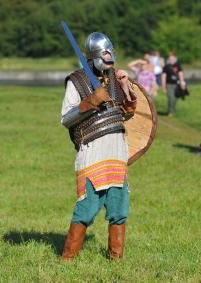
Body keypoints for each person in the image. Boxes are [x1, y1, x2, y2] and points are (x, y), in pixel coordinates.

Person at [60, 32, 137, 261]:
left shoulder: (115, 77)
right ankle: (67, 258)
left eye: (111, 59)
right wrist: (92, 100)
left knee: (119, 209)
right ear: (93, 57)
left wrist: (124, 86)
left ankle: (116, 258)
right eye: (105, 59)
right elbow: (66, 118)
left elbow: (129, 112)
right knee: (87, 208)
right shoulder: (77, 81)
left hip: (116, 152)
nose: (109, 64)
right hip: (92, 151)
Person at [161, 52, 185, 117]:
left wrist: (182, 84)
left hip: (177, 85)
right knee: (171, 98)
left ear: (175, 59)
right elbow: (163, 77)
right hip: (169, 85)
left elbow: (181, 75)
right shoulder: (166, 67)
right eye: (170, 59)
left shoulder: (178, 66)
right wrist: (163, 87)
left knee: (175, 98)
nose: (172, 60)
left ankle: (173, 110)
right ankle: (170, 112)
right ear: (169, 60)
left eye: (173, 59)